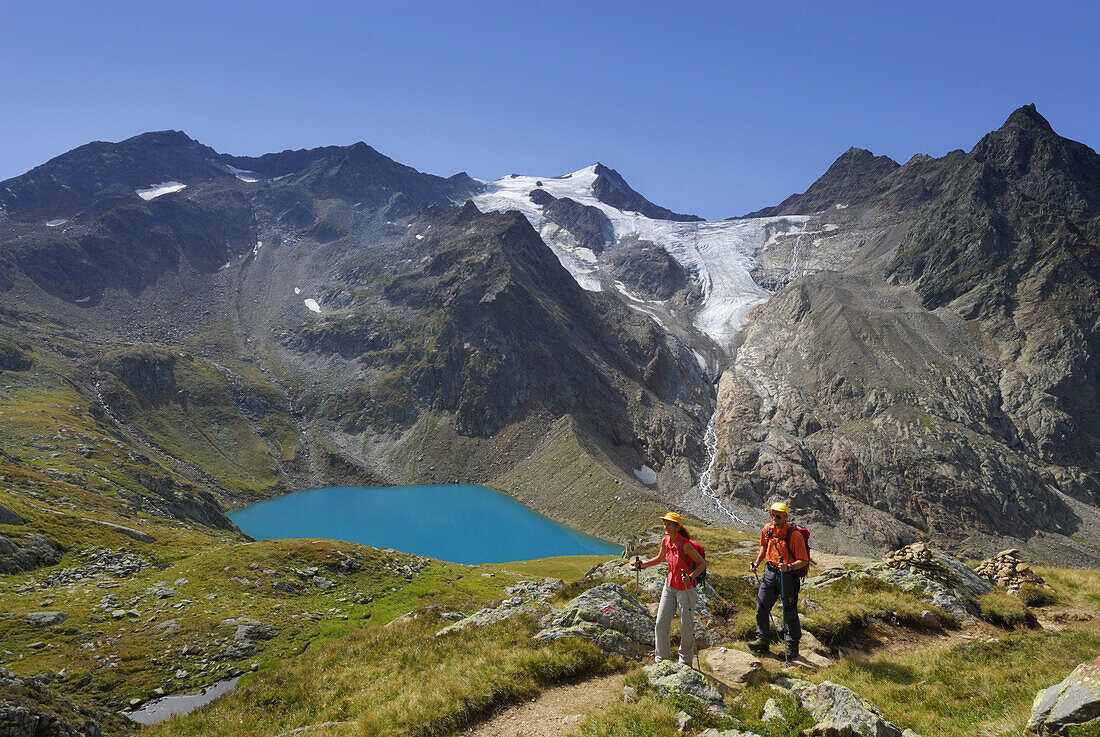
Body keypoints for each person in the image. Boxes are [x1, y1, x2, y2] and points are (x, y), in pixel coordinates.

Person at [631, 511, 706, 665]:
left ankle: (685, 662)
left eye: (669, 524)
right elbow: (659, 559)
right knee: (660, 623)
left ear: (677, 527)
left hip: (686, 588)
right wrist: (642, 565)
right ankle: (662, 660)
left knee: (686, 625)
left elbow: (702, 564)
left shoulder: (685, 545)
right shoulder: (665, 541)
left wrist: (691, 577)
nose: (665, 526)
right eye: (665, 523)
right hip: (670, 585)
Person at [747, 502, 809, 658]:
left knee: (789, 611)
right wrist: (757, 563)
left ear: (786, 516)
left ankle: (792, 647)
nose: (775, 518)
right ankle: (762, 640)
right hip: (770, 573)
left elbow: (804, 560)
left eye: (778, 515)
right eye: (772, 515)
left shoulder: (794, 535)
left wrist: (789, 567)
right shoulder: (767, 529)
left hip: (787, 576)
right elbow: (763, 547)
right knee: (761, 606)